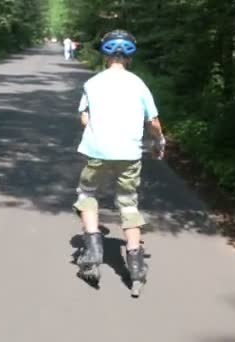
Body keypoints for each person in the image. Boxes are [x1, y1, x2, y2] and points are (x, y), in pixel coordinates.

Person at [72, 29, 166, 297]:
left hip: (98, 151)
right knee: (128, 202)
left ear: (105, 54)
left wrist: (97, 131)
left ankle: (92, 252)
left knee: (88, 193)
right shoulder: (139, 84)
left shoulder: (92, 83)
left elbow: (84, 117)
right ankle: (136, 269)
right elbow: (154, 122)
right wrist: (159, 144)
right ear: (130, 57)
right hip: (129, 153)